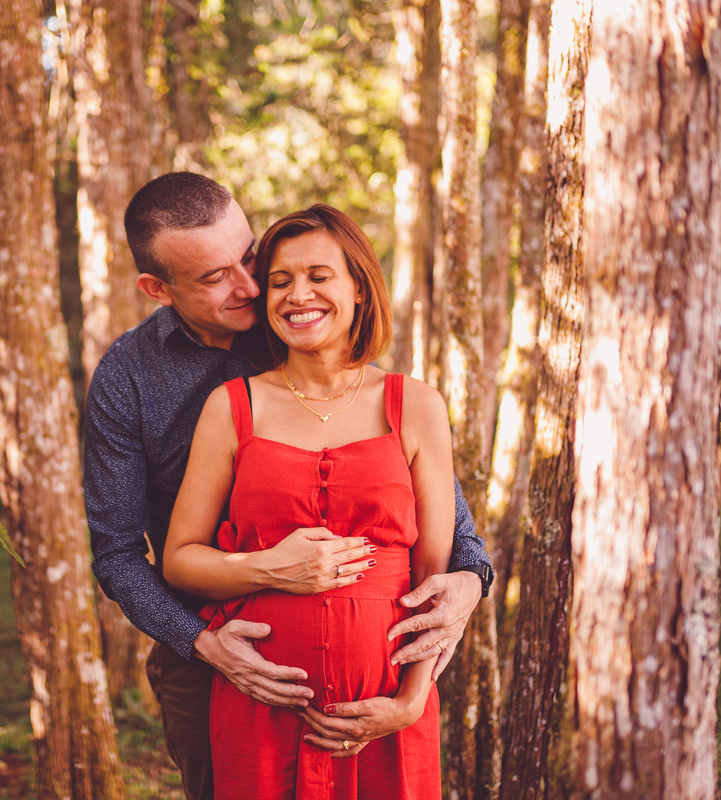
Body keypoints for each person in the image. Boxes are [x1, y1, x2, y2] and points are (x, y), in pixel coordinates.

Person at [84, 173, 493, 800]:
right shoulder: (130, 378)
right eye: (215, 277)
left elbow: (426, 505)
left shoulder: (307, 318)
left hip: (379, 674)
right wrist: (208, 644)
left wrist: (471, 578)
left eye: (250, 257)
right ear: (157, 289)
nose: (251, 286)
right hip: (210, 654)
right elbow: (117, 554)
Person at [163, 204, 451, 798]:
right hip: (260, 702)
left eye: (320, 276)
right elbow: (180, 560)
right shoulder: (232, 406)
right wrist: (268, 568)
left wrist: (410, 700)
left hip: (386, 710)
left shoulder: (417, 405)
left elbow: (434, 577)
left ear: (359, 290)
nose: (299, 295)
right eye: (280, 281)